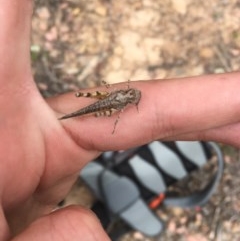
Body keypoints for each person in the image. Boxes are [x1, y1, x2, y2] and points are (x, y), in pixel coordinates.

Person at [1, 1, 240, 240]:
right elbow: (115, 100)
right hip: (107, 101)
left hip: (112, 101)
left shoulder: (127, 97)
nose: (134, 96)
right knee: (94, 103)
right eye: (133, 95)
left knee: (99, 109)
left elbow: (124, 100)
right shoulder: (123, 99)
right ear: (129, 93)